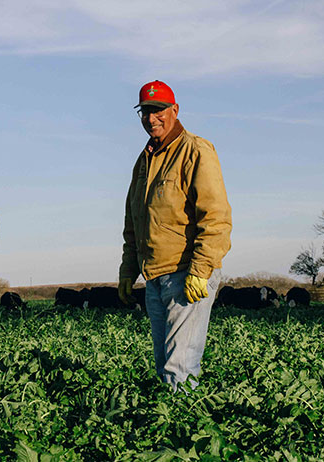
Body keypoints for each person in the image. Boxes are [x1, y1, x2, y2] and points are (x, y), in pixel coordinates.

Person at [118, 80, 232, 391]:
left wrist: (200, 270)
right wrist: (129, 270)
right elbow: (134, 222)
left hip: (186, 274)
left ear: (174, 110)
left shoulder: (196, 151)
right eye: (145, 112)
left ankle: (181, 434)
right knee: (164, 364)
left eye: (158, 110)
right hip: (155, 276)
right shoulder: (144, 161)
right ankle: (167, 430)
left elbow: (216, 217)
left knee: (179, 367)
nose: (151, 118)